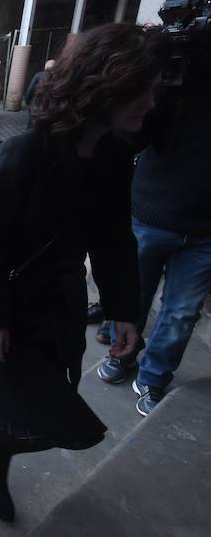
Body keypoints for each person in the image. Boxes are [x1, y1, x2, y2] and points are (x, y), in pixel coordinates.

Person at [0, 23, 161, 522]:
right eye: (142, 91)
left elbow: (115, 238)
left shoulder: (115, 155)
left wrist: (124, 311)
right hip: (9, 304)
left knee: (48, 409)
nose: (151, 104)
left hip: (61, 303)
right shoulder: (26, 153)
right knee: (17, 405)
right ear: (105, 89)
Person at [95, 41, 211, 417]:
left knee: (181, 312)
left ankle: (155, 374)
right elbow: (132, 135)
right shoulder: (176, 85)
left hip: (204, 230)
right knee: (132, 295)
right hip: (150, 213)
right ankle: (122, 352)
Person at [25, 59, 56, 128]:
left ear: (45, 67)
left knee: (31, 124)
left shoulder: (38, 75)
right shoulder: (58, 77)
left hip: (36, 104)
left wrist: (28, 101)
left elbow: (30, 89)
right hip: (50, 106)